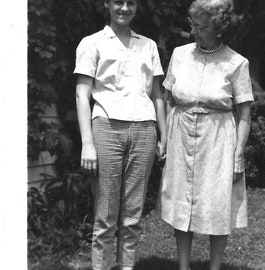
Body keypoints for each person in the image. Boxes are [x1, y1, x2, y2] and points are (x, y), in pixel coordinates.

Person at [158, 0, 254, 270]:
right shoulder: (179, 54)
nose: (194, 32)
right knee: (181, 202)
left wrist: (238, 154)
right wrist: (164, 138)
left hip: (218, 138)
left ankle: (215, 267)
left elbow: (245, 115)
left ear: (219, 29)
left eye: (201, 27)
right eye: (192, 24)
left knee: (216, 203)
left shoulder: (236, 63)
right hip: (181, 134)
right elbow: (167, 99)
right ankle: (183, 266)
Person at [73, 1, 166, 269]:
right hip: (106, 128)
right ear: (107, 4)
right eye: (118, 2)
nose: (124, 8)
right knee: (105, 215)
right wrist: (87, 143)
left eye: (130, 2)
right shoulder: (92, 43)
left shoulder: (147, 45)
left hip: (144, 130)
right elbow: (82, 94)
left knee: (133, 215)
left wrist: (164, 135)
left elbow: (157, 95)